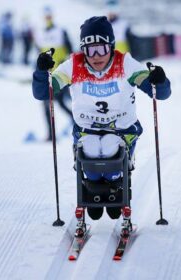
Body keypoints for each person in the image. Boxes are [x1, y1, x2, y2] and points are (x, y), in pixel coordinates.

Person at [32, 16, 171, 230]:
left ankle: (114, 184)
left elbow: (159, 93)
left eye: (101, 49)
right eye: (90, 50)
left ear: (111, 46)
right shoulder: (73, 65)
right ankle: (94, 189)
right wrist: (42, 73)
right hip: (87, 130)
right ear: (82, 50)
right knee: (89, 151)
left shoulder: (124, 64)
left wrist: (160, 81)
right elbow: (43, 93)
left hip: (122, 130)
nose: (95, 56)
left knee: (111, 148)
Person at [34, 6, 73, 140]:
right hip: (46, 74)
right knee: (46, 105)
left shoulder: (61, 31)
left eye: (49, 16)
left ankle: (76, 123)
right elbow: (38, 52)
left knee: (61, 103)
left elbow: (70, 50)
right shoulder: (39, 32)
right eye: (46, 16)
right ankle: (50, 135)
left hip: (60, 74)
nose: (48, 19)